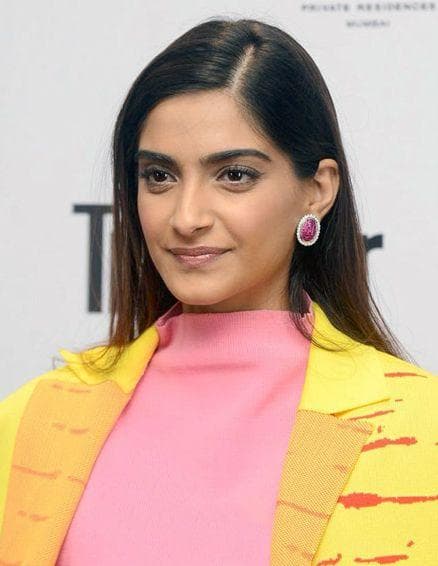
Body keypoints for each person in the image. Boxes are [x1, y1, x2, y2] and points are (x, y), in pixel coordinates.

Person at [0, 16, 436, 566]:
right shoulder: (35, 419)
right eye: (159, 176)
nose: (186, 217)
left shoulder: (416, 424)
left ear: (318, 190)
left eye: (234, 175)